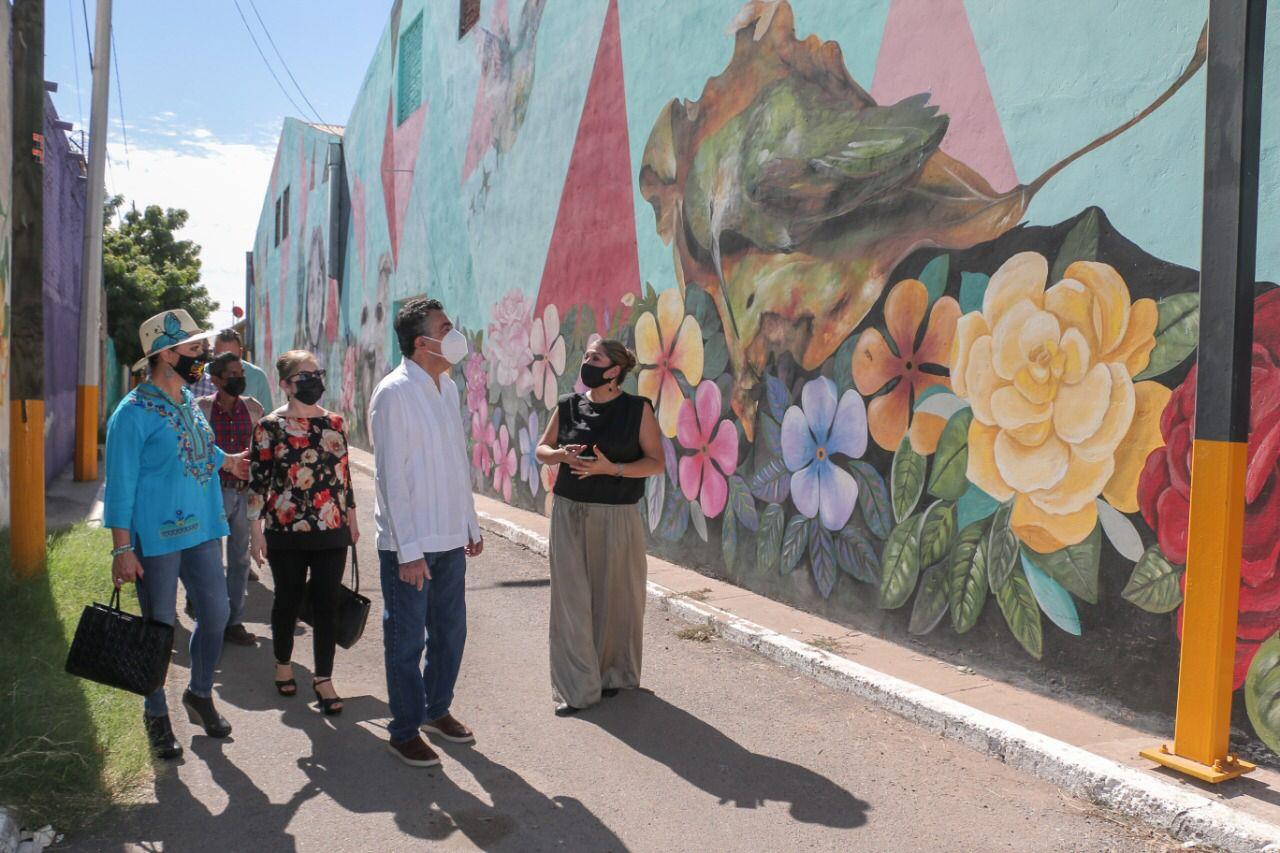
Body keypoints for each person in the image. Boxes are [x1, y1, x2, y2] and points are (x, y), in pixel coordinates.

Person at [104, 309, 250, 760]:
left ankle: (199, 692)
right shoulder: (131, 414)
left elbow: (198, 447)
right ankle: (155, 714)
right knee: (159, 628)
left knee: (217, 610)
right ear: (165, 354)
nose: (202, 357)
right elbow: (121, 485)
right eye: (192, 350)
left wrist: (227, 460)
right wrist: (123, 549)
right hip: (156, 536)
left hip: (202, 527)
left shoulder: (188, 399)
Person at [370, 297, 484, 768]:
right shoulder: (393, 393)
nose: (455, 333)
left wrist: (469, 522)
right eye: (446, 326)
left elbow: (457, 461)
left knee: (450, 634)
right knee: (407, 641)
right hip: (410, 547)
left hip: (449, 540)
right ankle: (404, 729)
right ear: (422, 341)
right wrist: (409, 552)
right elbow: (390, 479)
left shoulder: (447, 388)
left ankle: (437, 709)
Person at [535, 338, 664, 716]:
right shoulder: (568, 406)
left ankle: (612, 675)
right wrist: (558, 455)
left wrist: (614, 469)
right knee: (571, 600)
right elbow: (542, 448)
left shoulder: (637, 409)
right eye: (587, 354)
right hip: (570, 511)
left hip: (618, 515)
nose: (586, 361)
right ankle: (576, 689)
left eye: (595, 357)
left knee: (615, 599)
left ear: (614, 371)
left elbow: (655, 462)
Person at [247, 350, 358, 716]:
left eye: (317, 373)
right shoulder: (269, 427)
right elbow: (258, 482)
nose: (314, 380)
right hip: (285, 529)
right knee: (288, 600)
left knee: (327, 603)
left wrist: (351, 518)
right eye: (304, 375)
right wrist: (255, 530)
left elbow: (344, 475)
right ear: (285, 384)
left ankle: (323, 678)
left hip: (332, 529)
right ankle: (283, 662)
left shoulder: (336, 424)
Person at [196, 352, 266, 647]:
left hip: (243, 491)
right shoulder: (202, 409)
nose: (239, 378)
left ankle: (234, 622)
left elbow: (261, 450)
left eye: (241, 372)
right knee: (209, 559)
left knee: (239, 559)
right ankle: (209, 616)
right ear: (216, 380)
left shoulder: (252, 409)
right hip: (214, 493)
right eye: (233, 374)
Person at [192, 328, 273, 409]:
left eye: (232, 358)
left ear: (241, 353)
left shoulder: (257, 376)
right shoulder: (201, 375)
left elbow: (267, 415)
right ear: (214, 352)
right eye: (221, 357)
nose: (227, 365)